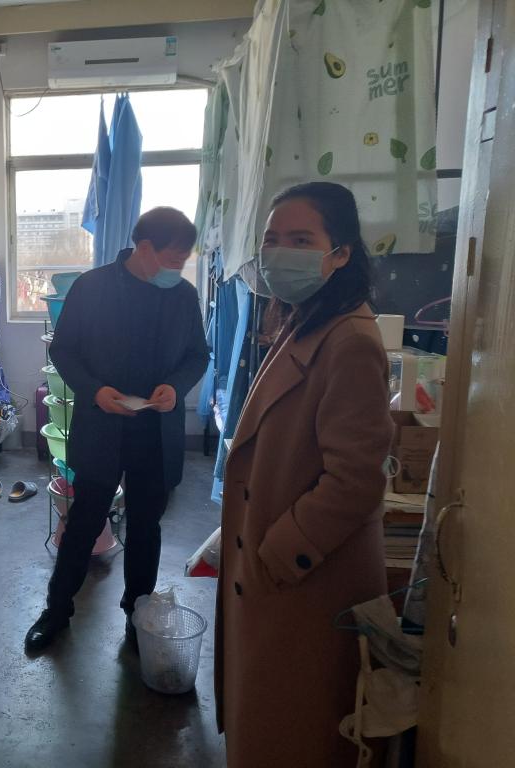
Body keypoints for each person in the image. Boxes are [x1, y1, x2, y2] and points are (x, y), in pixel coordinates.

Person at [215, 182, 394, 766]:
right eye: (272, 239)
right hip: (280, 570)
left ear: (339, 253)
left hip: (304, 578)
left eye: (300, 240)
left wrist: (277, 550)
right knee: (274, 720)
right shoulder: (306, 319)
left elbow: (356, 480)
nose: (279, 252)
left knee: (294, 729)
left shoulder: (350, 341)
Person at [24, 207, 210, 653]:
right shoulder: (93, 288)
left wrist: (175, 386)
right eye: (172, 259)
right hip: (102, 426)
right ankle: (56, 610)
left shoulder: (183, 295)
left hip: (156, 431)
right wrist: (95, 391)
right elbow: (64, 351)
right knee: (84, 521)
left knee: (146, 527)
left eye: (183, 261)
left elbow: (197, 355)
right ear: (144, 249)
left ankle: (137, 615)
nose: (177, 269)